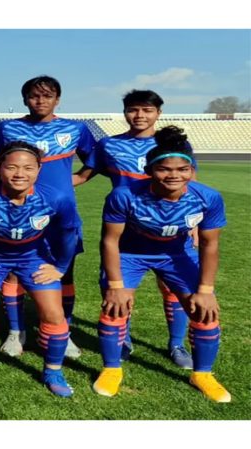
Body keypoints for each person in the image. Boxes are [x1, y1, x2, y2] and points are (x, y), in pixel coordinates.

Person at [93, 126, 230, 403]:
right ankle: (111, 369)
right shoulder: (124, 195)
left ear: (192, 170)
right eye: (164, 169)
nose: (174, 175)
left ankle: (202, 374)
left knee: (204, 310)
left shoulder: (208, 198)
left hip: (176, 254)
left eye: (182, 169)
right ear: (149, 170)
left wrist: (205, 289)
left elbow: (209, 245)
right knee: (114, 308)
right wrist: (116, 286)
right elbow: (109, 241)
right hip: (129, 254)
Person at [73, 90, 193, 368]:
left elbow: (189, 182)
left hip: (170, 227)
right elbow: (81, 177)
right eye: (133, 109)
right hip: (125, 228)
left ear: (158, 113)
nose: (140, 115)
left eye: (147, 110)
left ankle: (177, 344)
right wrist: (34, 185)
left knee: (173, 287)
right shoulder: (109, 145)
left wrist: (194, 224)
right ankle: (123, 339)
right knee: (117, 288)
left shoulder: (173, 143)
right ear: (125, 112)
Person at [0, 141, 78, 396]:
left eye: (28, 168)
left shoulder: (56, 198)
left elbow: (68, 234)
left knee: (54, 315)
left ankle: (53, 371)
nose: (20, 174)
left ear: (39, 169)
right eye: (11, 167)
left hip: (33, 258)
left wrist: (60, 267)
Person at [0, 75, 96, 359]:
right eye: (34, 96)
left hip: (61, 213)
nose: (40, 101)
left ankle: (62, 331)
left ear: (57, 99)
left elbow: (95, 159)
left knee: (64, 272)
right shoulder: (7, 128)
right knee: (13, 271)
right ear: (25, 99)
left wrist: (76, 179)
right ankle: (16, 332)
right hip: (17, 212)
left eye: (47, 96)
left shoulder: (75, 129)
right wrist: (10, 185)